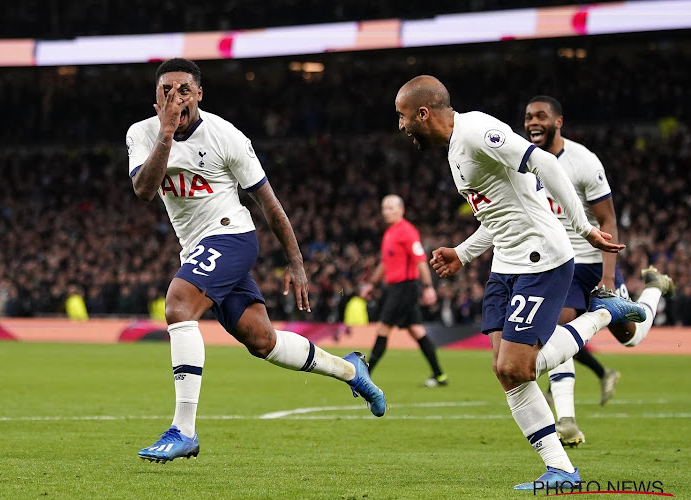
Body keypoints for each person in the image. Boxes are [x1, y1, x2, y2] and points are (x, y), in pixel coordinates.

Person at [126, 58, 385, 463]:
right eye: (165, 91)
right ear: (155, 97)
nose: (174, 97)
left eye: (183, 90)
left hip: (233, 235)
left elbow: (268, 202)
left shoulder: (226, 135)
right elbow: (143, 190)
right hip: (196, 247)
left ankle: (184, 430)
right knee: (263, 340)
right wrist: (165, 134)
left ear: (198, 94)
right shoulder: (142, 134)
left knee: (178, 305)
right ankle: (351, 370)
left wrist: (296, 261)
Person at [394, 75, 646, 490]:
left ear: (423, 113)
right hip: (506, 265)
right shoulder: (455, 150)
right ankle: (562, 471)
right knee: (506, 371)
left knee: (516, 365)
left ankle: (603, 313)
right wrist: (463, 252)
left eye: (403, 117)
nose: (401, 126)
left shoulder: (475, 130)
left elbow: (544, 163)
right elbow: (498, 217)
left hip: (542, 259)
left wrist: (582, 227)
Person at [524, 96, 675, 445]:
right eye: (529, 116)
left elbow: (607, 219)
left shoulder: (583, 162)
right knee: (557, 329)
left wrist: (608, 277)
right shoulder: (525, 161)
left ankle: (653, 287)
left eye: (541, 116)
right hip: (559, 264)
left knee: (630, 337)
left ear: (558, 121)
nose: (533, 122)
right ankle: (567, 422)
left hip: (594, 263)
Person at [361, 194, 447, 387]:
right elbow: (385, 263)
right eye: (384, 208)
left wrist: (427, 287)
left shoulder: (407, 231)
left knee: (383, 328)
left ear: (401, 210)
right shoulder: (389, 233)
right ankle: (439, 375)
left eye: (391, 208)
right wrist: (372, 284)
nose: (386, 212)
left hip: (405, 287)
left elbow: (420, 260)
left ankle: (364, 374)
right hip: (396, 288)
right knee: (416, 330)